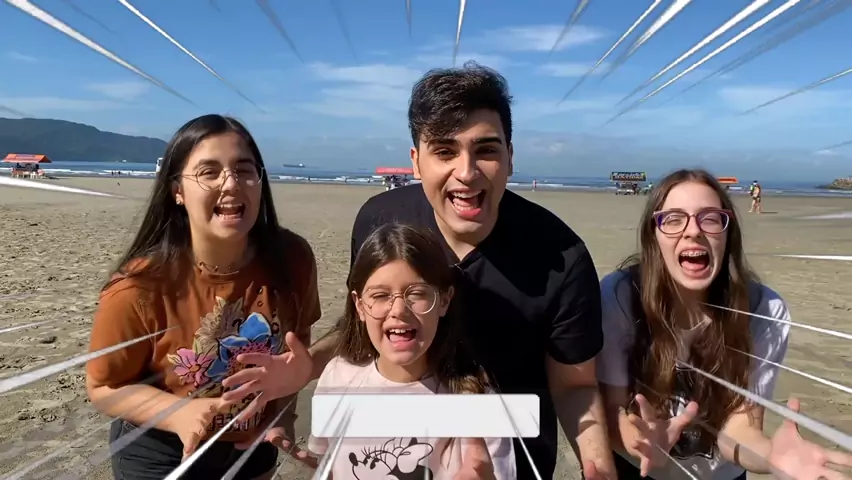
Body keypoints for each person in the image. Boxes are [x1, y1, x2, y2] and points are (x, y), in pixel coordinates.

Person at [223, 62, 615, 479]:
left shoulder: (561, 256)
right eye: (445, 152)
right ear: (416, 161)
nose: (466, 172)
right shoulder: (381, 221)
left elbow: (575, 384)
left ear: (510, 157)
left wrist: (599, 465)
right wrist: (310, 365)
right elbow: (366, 321)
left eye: (486, 150)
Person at [85, 114, 321, 480]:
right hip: (162, 450)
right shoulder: (138, 286)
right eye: (209, 172)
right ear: (177, 190)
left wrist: (282, 413)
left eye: (244, 170)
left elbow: (296, 343)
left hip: (252, 446)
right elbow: (104, 386)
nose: (231, 183)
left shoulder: (293, 259)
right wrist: (177, 413)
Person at [597, 169, 852, 479]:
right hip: (637, 471)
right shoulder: (621, 297)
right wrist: (637, 440)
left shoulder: (763, 310)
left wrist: (772, 457)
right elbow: (611, 408)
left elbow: (740, 430)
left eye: (710, 218)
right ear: (654, 236)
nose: (693, 231)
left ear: (727, 235)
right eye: (674, 219)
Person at [307, 223, 515, 478]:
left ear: (444, 300)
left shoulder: (477, 403)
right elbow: (329, 465)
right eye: (380, 295)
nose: (398, 310)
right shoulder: (338, 377)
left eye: (416, 293)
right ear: (359, 305)